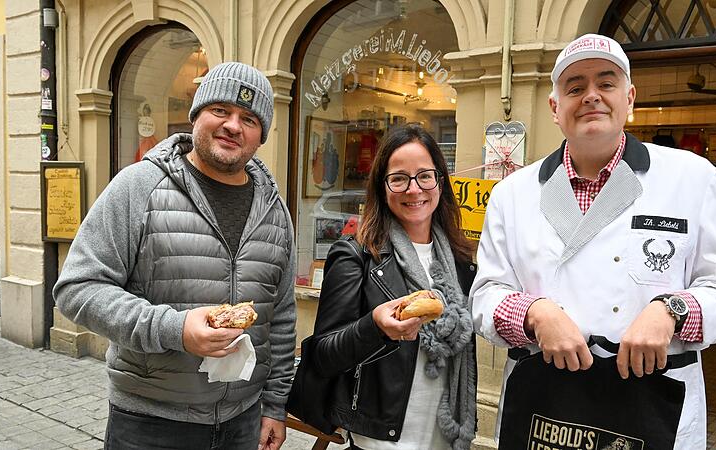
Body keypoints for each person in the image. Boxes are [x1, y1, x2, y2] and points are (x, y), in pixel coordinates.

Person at [470, 33, 716, 448]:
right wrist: (535, 314)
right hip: (546, 406)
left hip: (648, 403)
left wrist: (671, 310)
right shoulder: (513, 193)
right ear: (555, 107)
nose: (591, 96)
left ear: (630, 98)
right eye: (575, 87)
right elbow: (484, 296)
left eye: (606, 83)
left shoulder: (692, 179)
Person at [53, 62, 296, 450]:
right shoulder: (138, 186)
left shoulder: (274, 208)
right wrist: (175, 329)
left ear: (261, 135)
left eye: (249, 118)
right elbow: (77, 289)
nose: (233, 125)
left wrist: (275, 405)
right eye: (220, 110)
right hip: (150, 422)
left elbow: (280, 316)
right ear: (195, 115)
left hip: (244, 421)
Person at [311, 124, 478, 450]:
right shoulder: (356, 254)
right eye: (399, 178)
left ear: (440, 183)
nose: (414, 189)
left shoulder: (460, 260)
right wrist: (374, 328)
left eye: (425, 176)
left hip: (446, 435)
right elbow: (322, 355)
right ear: (382, 187)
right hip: (380, 440)